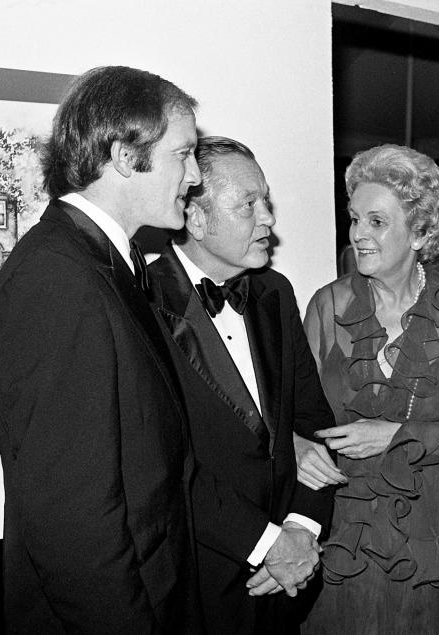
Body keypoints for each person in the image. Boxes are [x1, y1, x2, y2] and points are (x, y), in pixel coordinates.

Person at [0, 66, 201, 632]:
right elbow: (71, 521)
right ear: (125, 156)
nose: (195, 175)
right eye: (184, 154)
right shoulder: (58, 278)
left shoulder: (104, 261)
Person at [298, 144, 439, 634]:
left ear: (419, 232)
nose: (358, 234)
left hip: (433, 533)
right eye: (354, 218)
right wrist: (299, 445)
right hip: (346, 528)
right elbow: (293, 414)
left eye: (376, 221)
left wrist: (397, 436)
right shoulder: (327, 306)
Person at [147, 136, 337, 633]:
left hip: (285, 587)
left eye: (266, 202)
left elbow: (313, 424)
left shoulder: (275, 291)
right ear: (196, 218)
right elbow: (161, 464)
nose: (268, 218)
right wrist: (265, 544)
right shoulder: (141, 304)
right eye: (248, 205)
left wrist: (300, 530)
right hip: (200, 582)